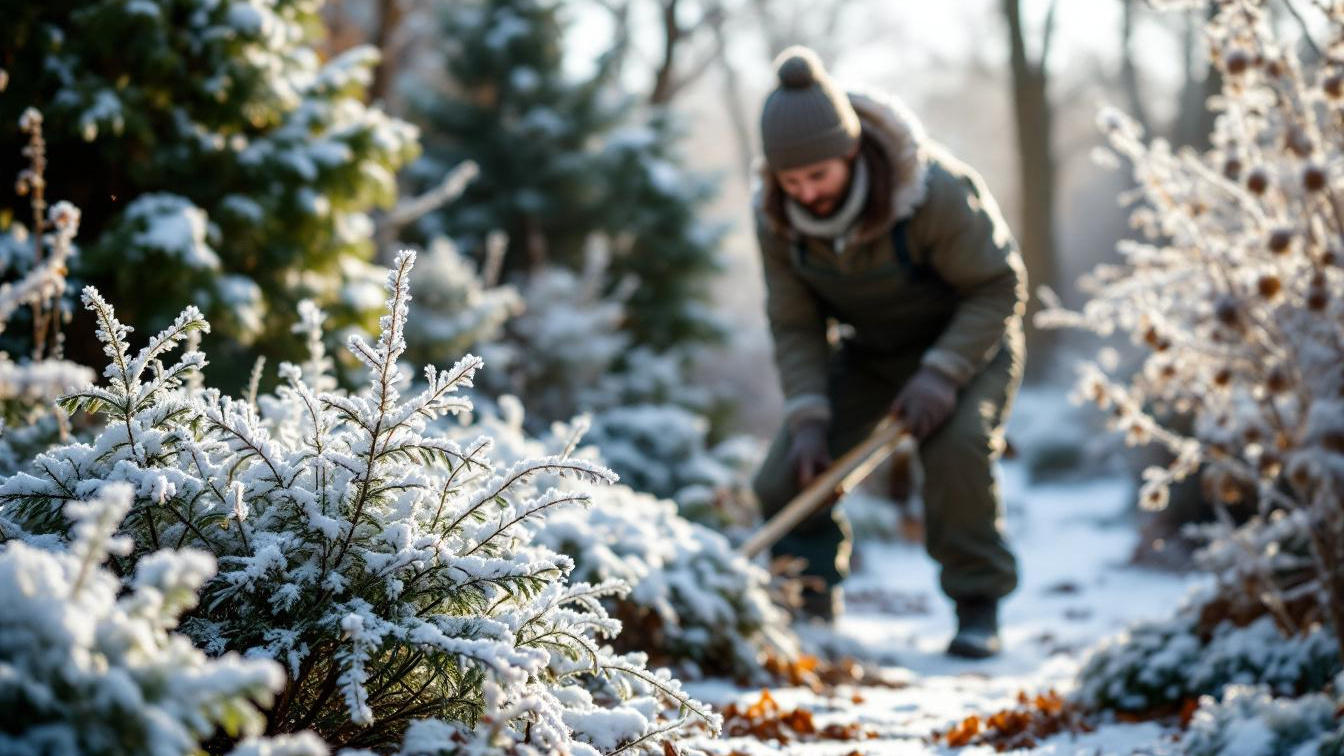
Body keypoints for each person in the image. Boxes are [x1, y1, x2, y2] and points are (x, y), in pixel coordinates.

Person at [750, 45, 1027, 659]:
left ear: (850, 152)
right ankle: (810, 608)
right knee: (785, 476)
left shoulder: (933, 193)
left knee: (955, 450)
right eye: (790, 180)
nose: (805, 192)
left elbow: (998, 287)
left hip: (968, 345)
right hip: (872, 355)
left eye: (817, 176)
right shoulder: (775, 221)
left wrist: (942, 373)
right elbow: (795, 326)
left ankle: (978, 605)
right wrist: (809, 415)